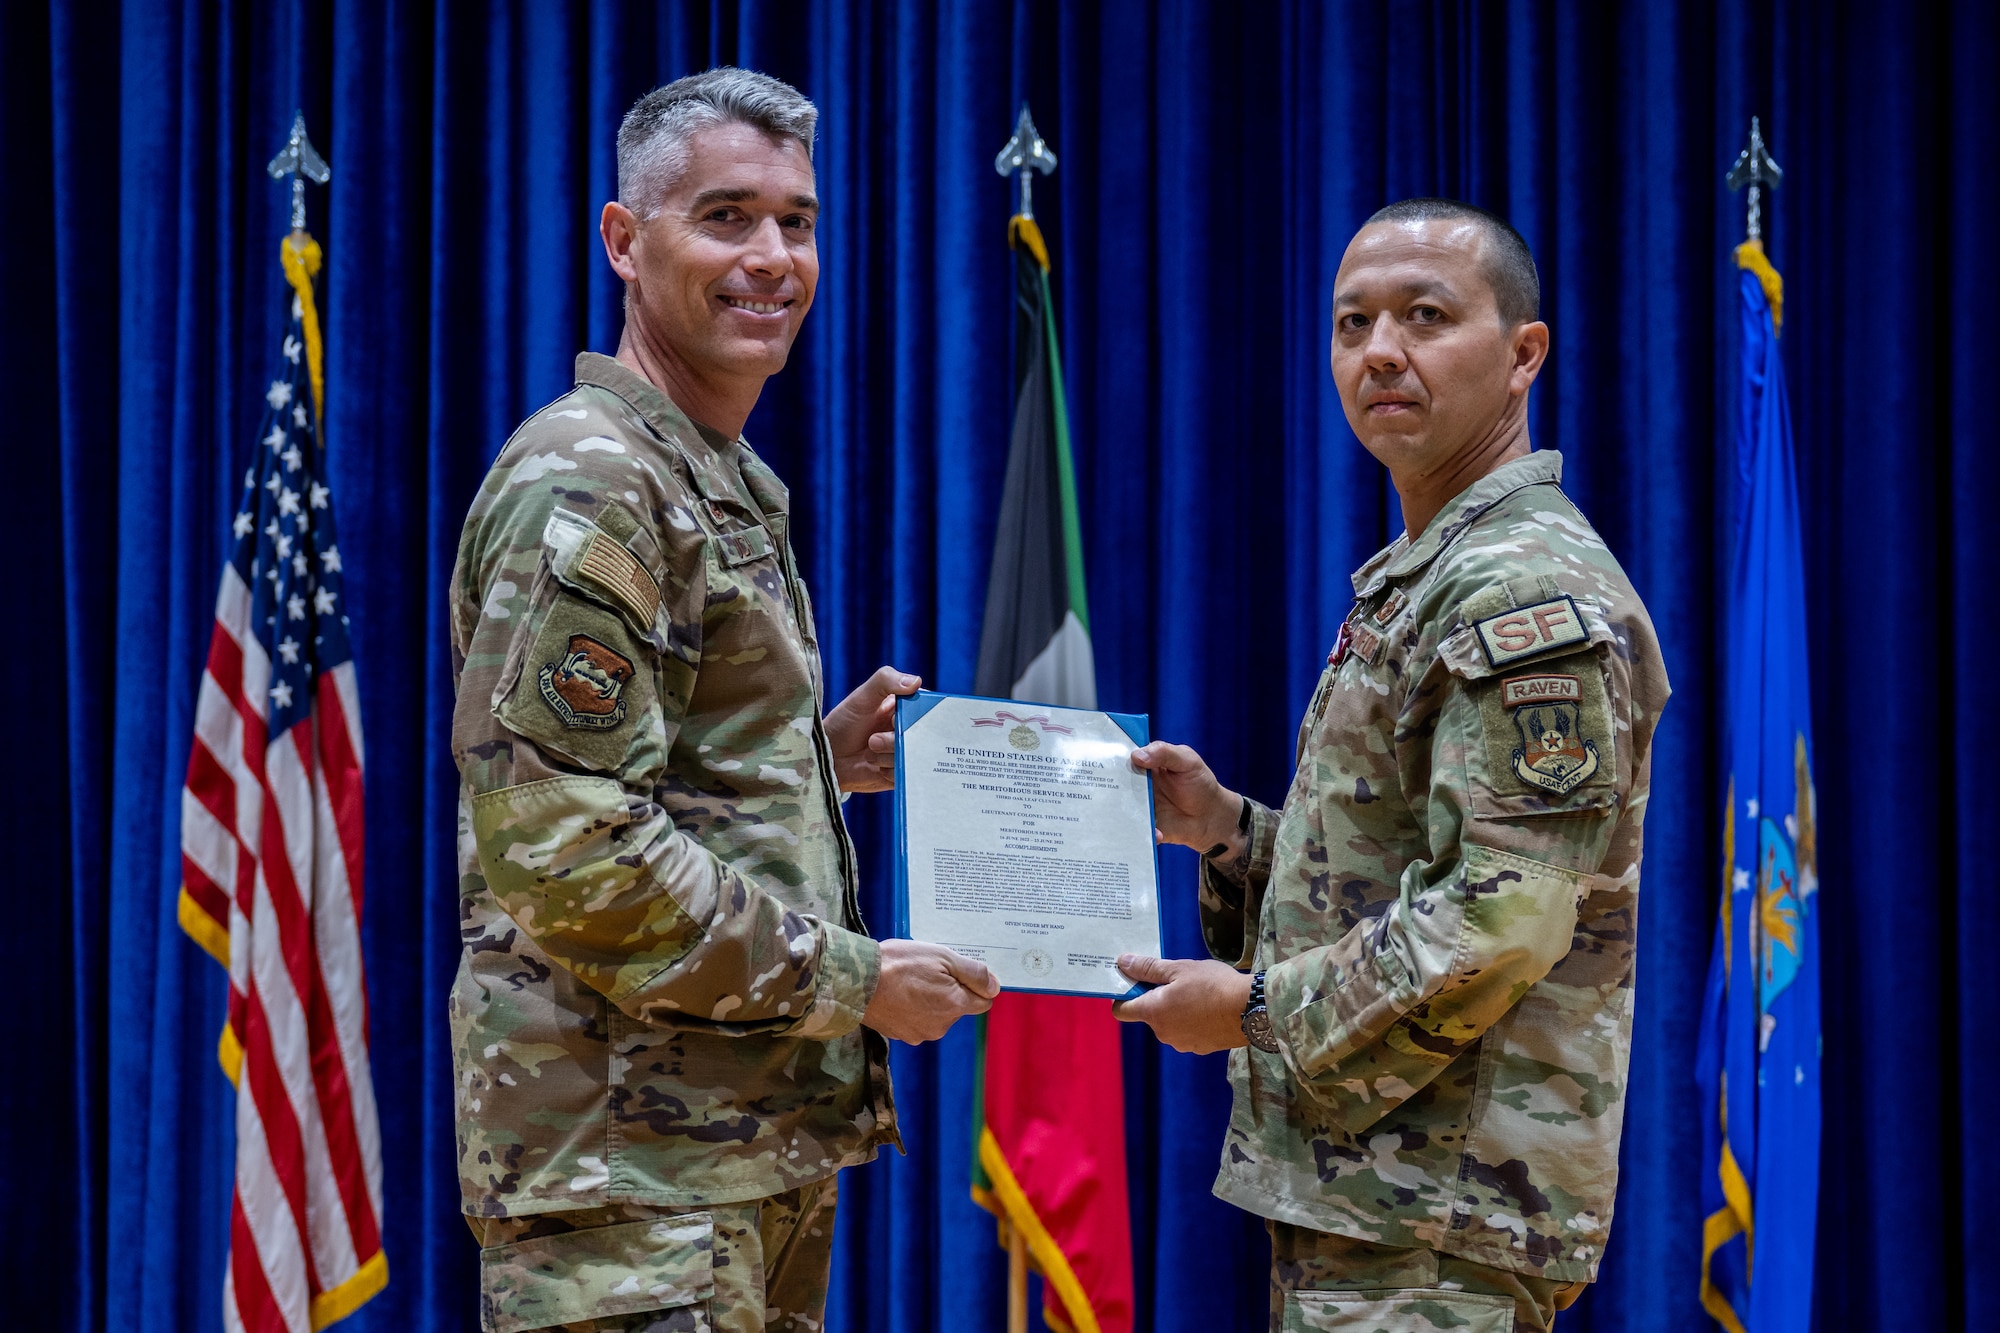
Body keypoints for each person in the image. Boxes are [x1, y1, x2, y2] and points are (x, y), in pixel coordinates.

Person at [447, 67, 998, 1333]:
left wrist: (802, 761)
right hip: (628, 1165)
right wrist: (851, 978)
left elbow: (635, 772)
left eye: (795, 222)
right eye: (726, 216)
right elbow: (563, 843)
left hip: (726, 1152)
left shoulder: (711, 472)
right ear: (624, 243)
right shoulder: (593, 481)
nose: (772, 258)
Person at [1114, 199, 1671, 1333]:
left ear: (1522, 355)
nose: (1379, 351)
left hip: (1442, 1210)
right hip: (1384, 1199)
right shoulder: (1434, 565)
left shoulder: (1519, 588)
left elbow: (1499, 920)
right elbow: (1400, 874)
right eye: (1351, 322)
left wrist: (1257, 1008)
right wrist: (1226, 831)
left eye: (1425, 316)